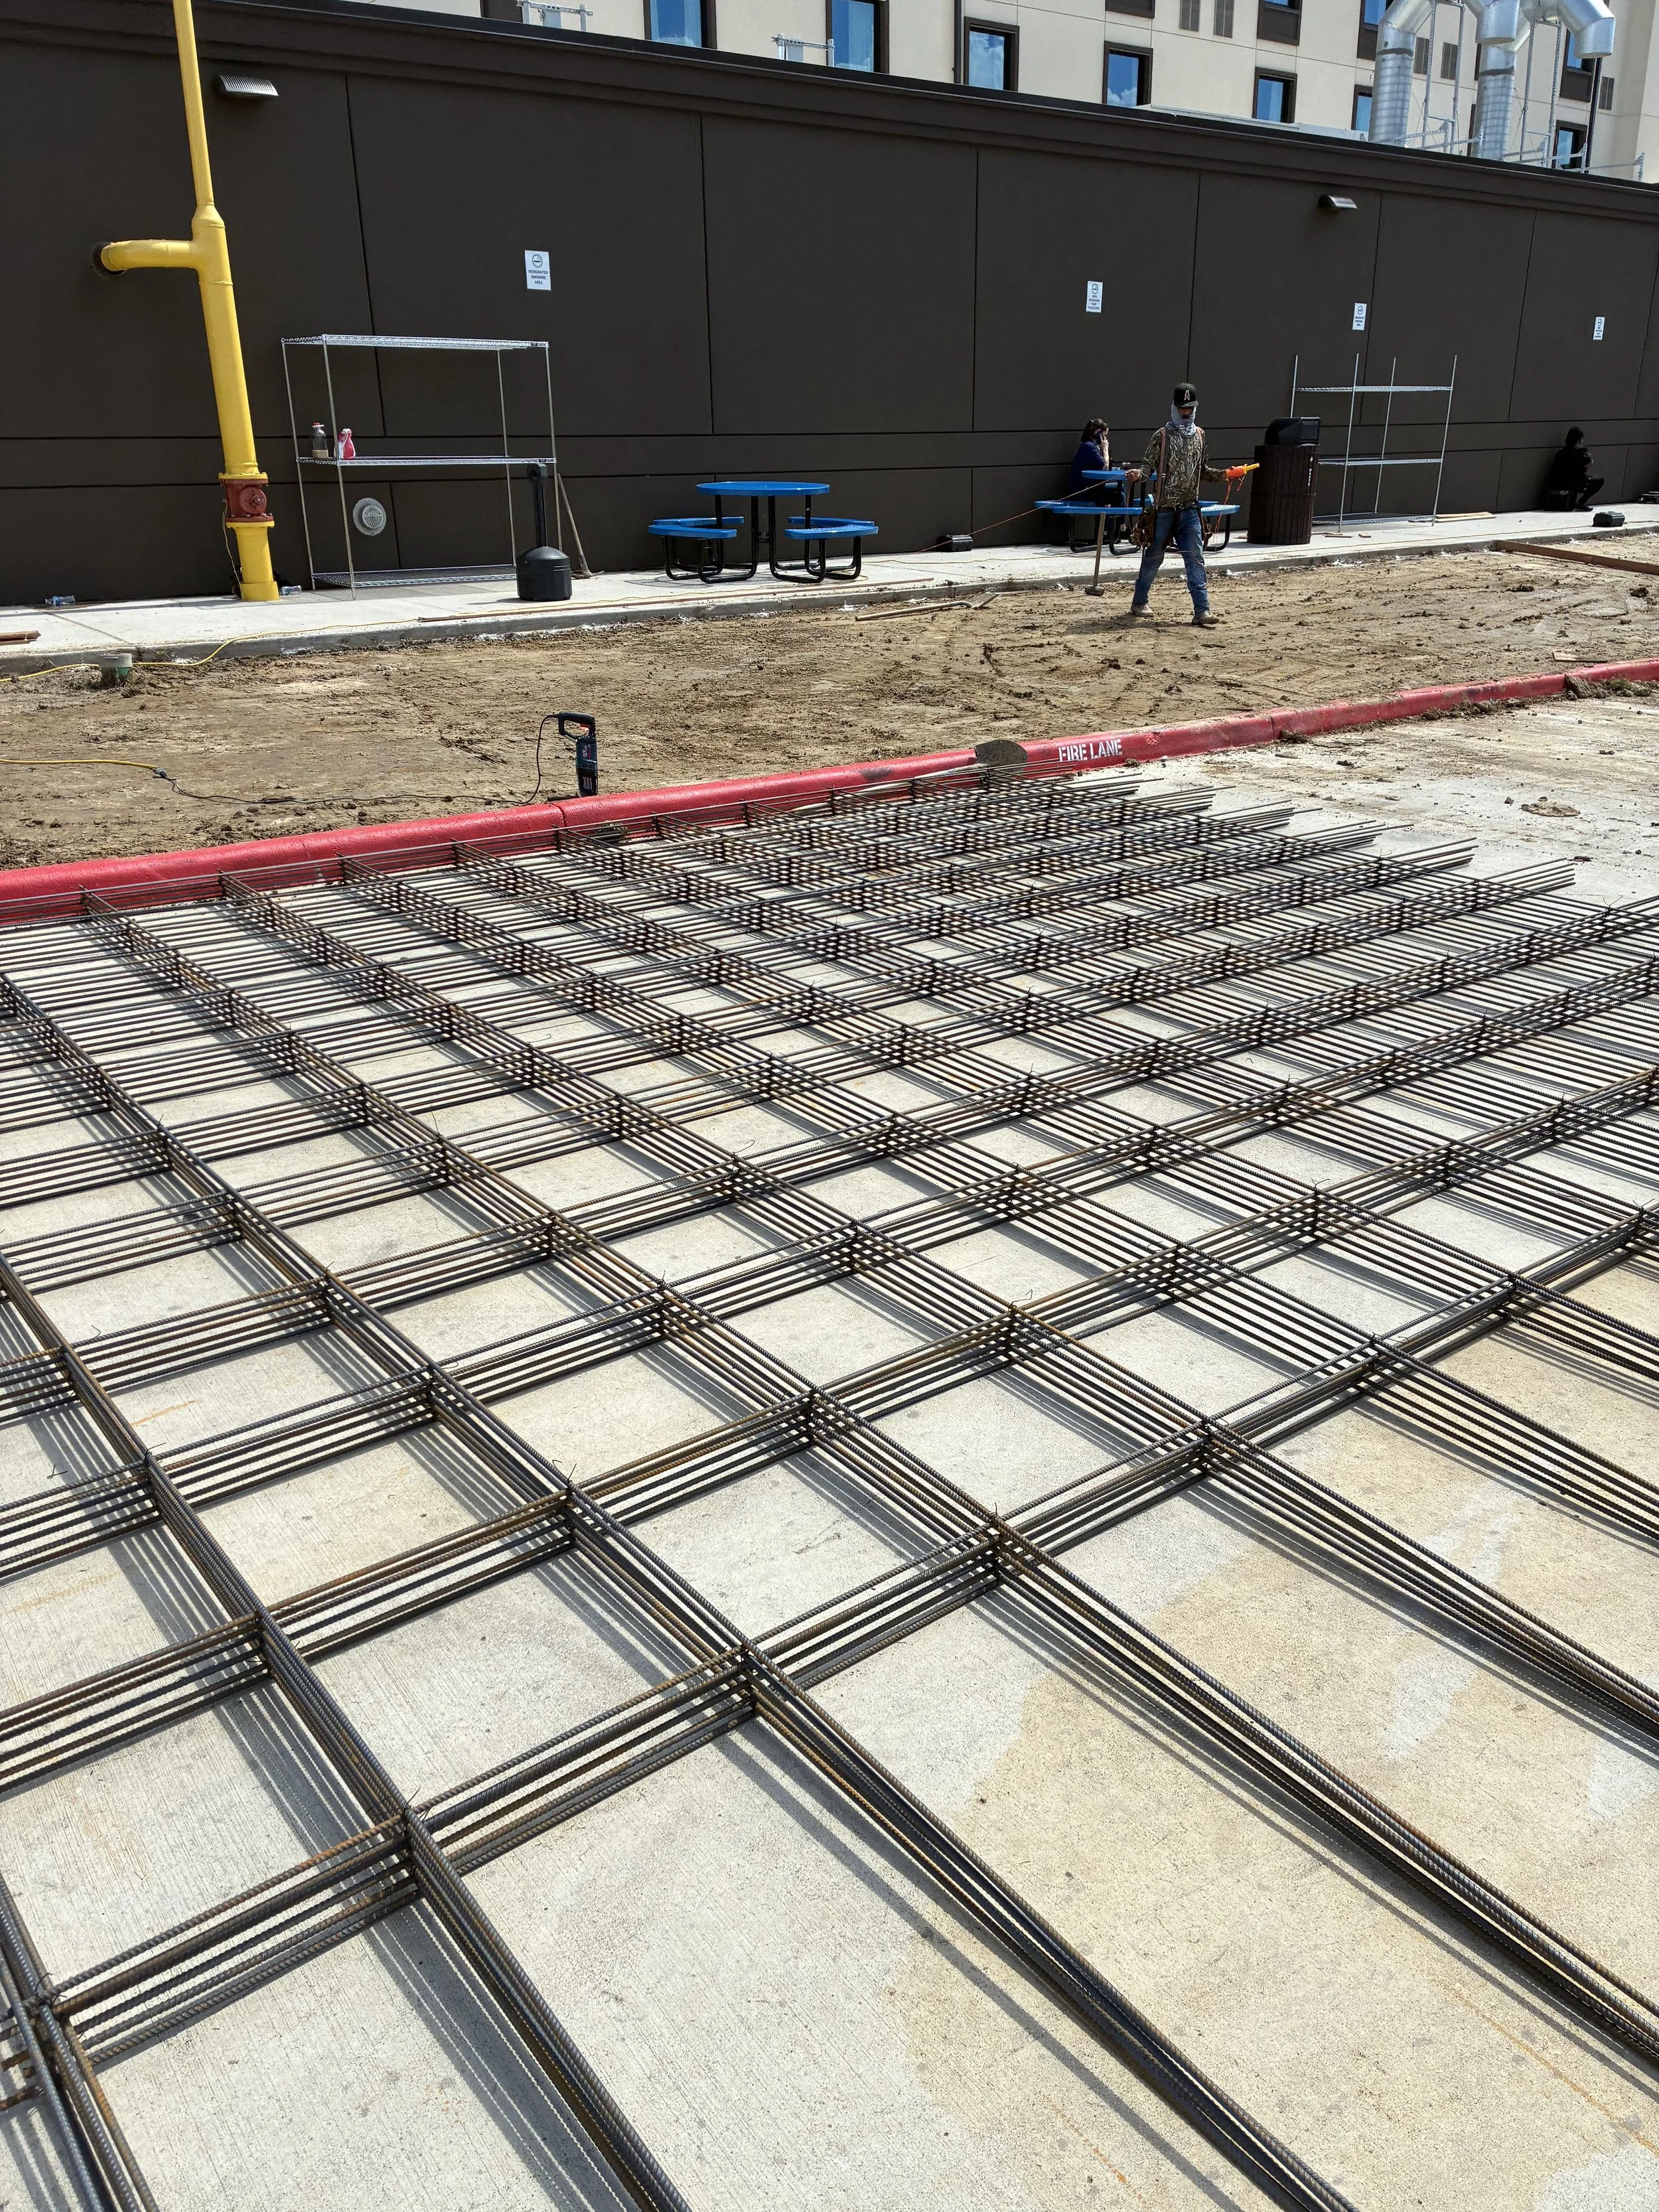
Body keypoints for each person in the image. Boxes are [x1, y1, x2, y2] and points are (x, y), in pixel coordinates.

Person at [1125, 383, 1234, 626]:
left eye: (1190, 408)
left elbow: (1203, 471)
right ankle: (1139, 601)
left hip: (1190, 510)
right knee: (1153, 557)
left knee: (1195, 559)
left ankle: (1202, 610)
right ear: (1175, 407)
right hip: (1164, 510)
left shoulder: (1200, 436)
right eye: (1183, 408)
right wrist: (1138, 475)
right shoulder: (1162, 436)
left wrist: (1226, 474)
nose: (1186, 412)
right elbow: (1147, 467)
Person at [1539, 427, 1603, 512]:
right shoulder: (1581, 450)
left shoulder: (1561, 452)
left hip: (1558, 483)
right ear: (1579, 439)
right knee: (1599, 480)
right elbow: (1588, 463)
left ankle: (1573, 502)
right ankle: (1580, 503)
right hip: (1574, 483)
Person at [1067, 419, 1110, 497]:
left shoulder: (1091, 446)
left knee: (1121, 488)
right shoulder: (1089, 447)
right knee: (1120, 495)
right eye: (1105, 435)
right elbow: (1105, 468)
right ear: (1098, 433)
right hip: (1084, 491)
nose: (1105, 439)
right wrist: (1105, 449)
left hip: (1090, 486)